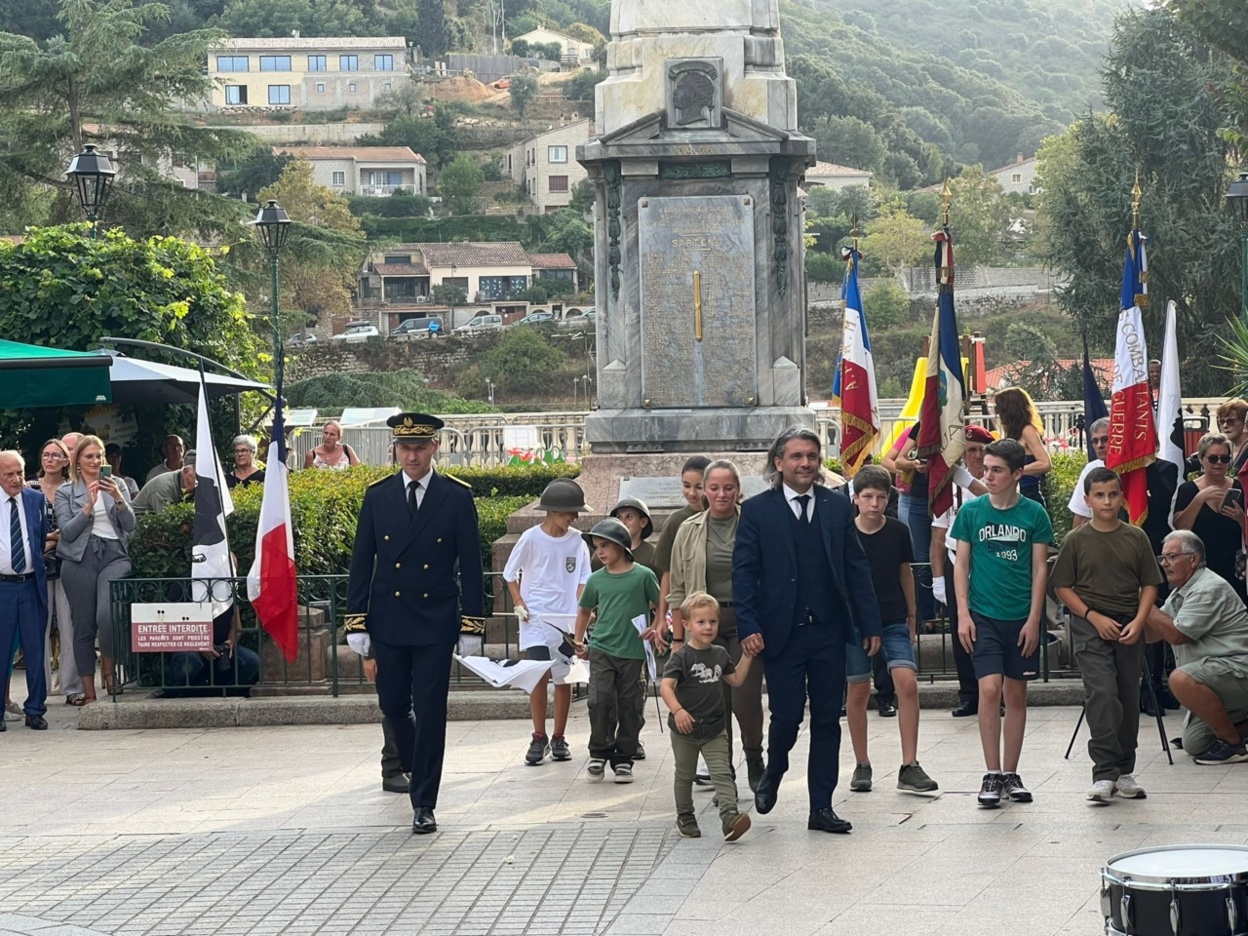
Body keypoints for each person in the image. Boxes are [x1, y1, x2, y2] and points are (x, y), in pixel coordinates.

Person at [733, 426, 883, 834]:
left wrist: (869, 623)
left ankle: (821, 807)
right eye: (796, 457)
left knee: (826, 721)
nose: (805, 464)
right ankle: (774, 770)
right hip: (781, 633)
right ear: (779, 463)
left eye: (811, 457)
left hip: (829, 632)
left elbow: (856, 568)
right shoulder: (758, 511)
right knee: (785, 717)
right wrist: (748, 624)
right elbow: (744, 573)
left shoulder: (837, 507)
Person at [343, 412, 485, 835]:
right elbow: (360, 562)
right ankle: (413, 765)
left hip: (435, 621)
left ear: (435, 448)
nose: (412, 456)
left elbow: (472, 566)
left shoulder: (456, 496)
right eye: (405, 448)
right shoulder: (378, 495)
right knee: (392, 707)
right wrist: (357, 620)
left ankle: (424, 801)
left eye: (420, 447)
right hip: (389, 619)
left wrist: (472, 624)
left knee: (430, 712)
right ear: (395, 450)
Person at [1050, 467, 1163, 803]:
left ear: (1122, 496)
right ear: (1087, 500)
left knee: (1128, 695)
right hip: (1090, 625)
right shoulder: (1076, 540)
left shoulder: (1135, 537)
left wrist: (1140, 621)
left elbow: (1150, 584)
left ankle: (1124, 770)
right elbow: (1062, 587)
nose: (1107, 501)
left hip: (1128, 624)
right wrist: (1091, 616)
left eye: (1113, 494)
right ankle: (1103, 772)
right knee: (1101, 692)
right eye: (1099, 495)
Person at [951, 438, 1053, 808]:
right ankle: (991, 771)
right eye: (986, 467)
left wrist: (1034, 618)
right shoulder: (972, 512)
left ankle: (1011, 773)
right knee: (989, 690)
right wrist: (962, 614)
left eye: (996, 470)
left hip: (1020, 616)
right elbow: (961, 565)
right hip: (984, 615)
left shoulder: (1034, 515)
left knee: (1016, 694)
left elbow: (1040, 568)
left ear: (1016, 474)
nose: (987, 474)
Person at [668, 459, 766, 792]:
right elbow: (678, 589)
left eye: (728, 487)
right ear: (704, 491)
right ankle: (724, 775)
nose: (721, 494)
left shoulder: (753, 525)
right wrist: (679, 639)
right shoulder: (688, 529)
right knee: (713, 706)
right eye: (714, 488)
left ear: (738, 490)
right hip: (703, 626)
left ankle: (754, 755)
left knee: (745, 700)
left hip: (744, 621)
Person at [845, 465, 939, 795]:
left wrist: (912, 616)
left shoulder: (898, 531)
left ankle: (909, 764)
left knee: (907, 682)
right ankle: (862, 762)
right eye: (868, 497)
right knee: (857, 691)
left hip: (893, 618)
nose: (874, 503)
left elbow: (905, 574)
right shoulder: (845, 532)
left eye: (881, 497)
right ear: (855, 499)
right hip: (855, 622)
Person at [503, 478, 592, 766]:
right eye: (569, 512)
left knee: (563, 678)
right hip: (535, 618)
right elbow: (509, 574)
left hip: (565, 620)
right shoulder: (530, 538)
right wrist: (519, 601)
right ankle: (539, 735)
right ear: (552, 511)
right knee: (539, 675)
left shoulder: (578, 540)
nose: (573, 518)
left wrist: (580, 613)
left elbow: (583, 579)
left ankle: (559, 736)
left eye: (575, 513)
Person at [573, 517, 662, 784]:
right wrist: (579, 640)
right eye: (596, 546)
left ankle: (623, 758)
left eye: (604, 545)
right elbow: (585, 610)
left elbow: (660, 607)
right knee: (599, 700)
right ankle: (599, 751)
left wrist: (656, 628)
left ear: (622, 546)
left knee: (630, 705)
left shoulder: (644, 576)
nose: (599, 551)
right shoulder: (596, 580)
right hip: (601, 648)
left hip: (633, 652)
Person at [1146, 531, 1248, 763]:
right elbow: (1153, 636)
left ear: (1193, 559)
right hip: (1218, 677)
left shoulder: (1208, 587)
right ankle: (1233, 733)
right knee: (1196, 743)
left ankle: (1234, 746)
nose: (1164, 564)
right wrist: (1136, 609)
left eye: (1171, 557)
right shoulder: (1179, 593)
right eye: (1162, 558)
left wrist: (1144, 600)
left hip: (1239, 672)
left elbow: (1177, 634)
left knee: (1180, 679)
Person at [661, 591, 754, 842]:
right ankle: (685, 815)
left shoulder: (720, 654)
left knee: (722, 772)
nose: (708, 627)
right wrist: (678, 710)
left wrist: (748, 656)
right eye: (701, 622)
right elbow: (666, 686)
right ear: (686, 625)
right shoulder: (681, 657)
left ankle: (730, 817)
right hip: (685, 729)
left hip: (714, 728)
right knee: (685, 774)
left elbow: (735, 680)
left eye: (712, 621)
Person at [55, 434, 135, 703]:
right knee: (84, 626)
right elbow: (67, 531)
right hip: (79, 558)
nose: (95, 461)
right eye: (89, 456)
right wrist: (88, 506)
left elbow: (131, 525)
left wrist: (118, 499)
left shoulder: (118, 484)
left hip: (114, 555)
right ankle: (88, 692)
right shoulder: (66, 491)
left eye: (98, 456)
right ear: (77, 461)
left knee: (107, 615)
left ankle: (110, 676)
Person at [931, 425, 994, 716]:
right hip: (957, 562)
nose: (978, 455)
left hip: (989, 564)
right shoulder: (950, 487)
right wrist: (937, 580)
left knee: (992, 629)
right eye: (971, 449)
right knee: (962, 633)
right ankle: (969, 694)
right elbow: (938, 538)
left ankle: (994, 695)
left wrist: (965, 479)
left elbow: (990, 500)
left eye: (983, 449)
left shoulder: (999, 481)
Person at [0, 451, 50, 731]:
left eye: (19, 472)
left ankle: (35, 709)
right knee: (2, 650)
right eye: (9, 474)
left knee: (35, 649)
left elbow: (39, 537)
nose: (17, 479)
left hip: (31, 585)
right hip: (2, 587)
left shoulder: (36, 499)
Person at [30, 439, 80, 704]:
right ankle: (40, 689)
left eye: (56, 455)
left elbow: (76, 527)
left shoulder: (72, 490)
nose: (49, 459)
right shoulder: (30, 488)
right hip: (36, 563)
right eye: (46, 454)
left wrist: (51, 538)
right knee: (39, 625)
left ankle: (71, 687)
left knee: (69, 623)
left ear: (65, 461)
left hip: (67, 561)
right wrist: (50, 537)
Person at [1173, 433, 1247, 605]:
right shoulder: (1188, 489)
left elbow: (1246, 532)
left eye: (1224, 458)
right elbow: (1181, 528)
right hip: (1200, 567)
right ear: (1201, 458)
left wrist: (1241, 519)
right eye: (1213, 458)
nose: (1219, 463)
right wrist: (1200, 498)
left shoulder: (1239, 488)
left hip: (1234, 568)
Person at [881, 422, 935, 624]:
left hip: (938, 499)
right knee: (921, 558)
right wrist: (912, 467)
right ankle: (925, 616)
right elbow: (890, 460)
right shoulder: (914, 431)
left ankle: (941, 612)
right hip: (914, 499)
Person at [653, 455, 712, 625]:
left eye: (699, 487)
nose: (692, 493)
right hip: (690, 614)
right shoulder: (675, 522)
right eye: (686, 486)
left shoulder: (728, 518)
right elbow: (668, 573)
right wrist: (662, 617)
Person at [165, 605, 260, 695]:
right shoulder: (183, 588)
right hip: (191, 646)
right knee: (189, 660)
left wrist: (230, 642)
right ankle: (182, 694)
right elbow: (175, 622)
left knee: (251, 661)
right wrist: (200, 644)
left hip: (223, 646)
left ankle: (229, 694)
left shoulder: (228, 588)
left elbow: (236, 625)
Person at [994, 387, 1051, 505]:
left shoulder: (1027, 431)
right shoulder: (1014, 432)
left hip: (1029, 494)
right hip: (1014, 493)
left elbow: (1045, 463)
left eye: (998, 409)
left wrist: (1015, 472)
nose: (997, 413)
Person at [1068, 417, 1110, 529]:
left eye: (1105, 439)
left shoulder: (1133, 468)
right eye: (1095, 441)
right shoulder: (1091, 469)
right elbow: (1082, 514)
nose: (1099, 445)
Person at [133, 451, 197, 516]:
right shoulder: (163, 487)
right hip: (139, 523)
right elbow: (168, 522)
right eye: (199, 475)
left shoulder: (193, 488)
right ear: (186, 472)